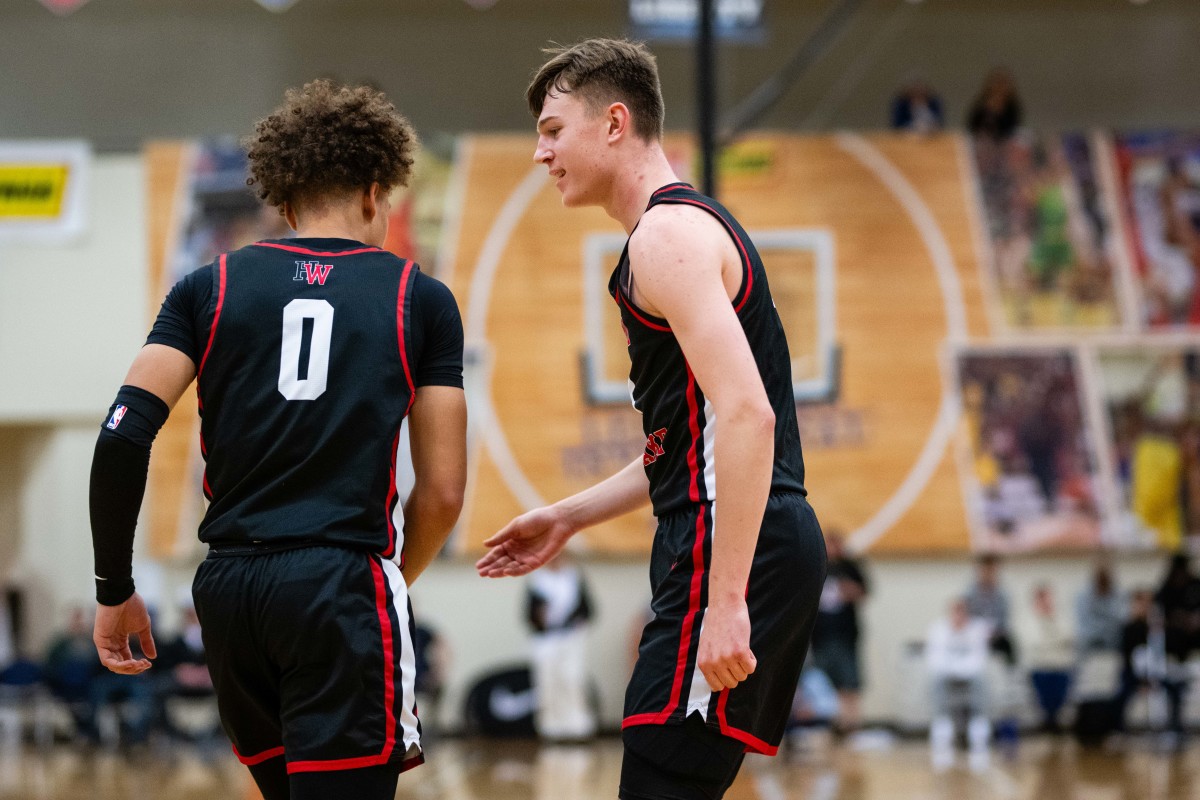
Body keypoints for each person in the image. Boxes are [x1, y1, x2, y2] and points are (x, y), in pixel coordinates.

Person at [88, 80, 467, 800]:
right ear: (373, 190)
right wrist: (385, 583)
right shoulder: (419, 297)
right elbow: (444, 493)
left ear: (284, 202)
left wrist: (115, 589)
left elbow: (121, 433)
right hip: (339, 584)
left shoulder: (206, 287)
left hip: (230, 594)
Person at [476, 38, 826, 800]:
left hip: (728, 544)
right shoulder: (681, 231)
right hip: (733, 534)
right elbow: (690, 442)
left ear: (613, 122)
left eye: (552, 129)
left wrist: (726, 599)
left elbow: (747, 415)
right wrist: (569, 516)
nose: (540, 153)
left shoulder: (665, 237)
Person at [526, 552, 596, 741]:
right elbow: (529, 614)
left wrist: (578, 624)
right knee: (547, 682)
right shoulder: (537, 580)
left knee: (572, 679)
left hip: (571, 638)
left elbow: (588, 610)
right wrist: (540, 618)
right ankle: (550, 728)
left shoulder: (574, 576)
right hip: (546, 639)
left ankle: (577, 726)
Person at [809, 530, 868, 735]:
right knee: (821, 681)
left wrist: (847, 589)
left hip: (844, 635)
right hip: (820, 636)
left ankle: (851, 725)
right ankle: (829, 723)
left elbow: (864, 592)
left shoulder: (849, 567)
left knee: (849, 683)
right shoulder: (815, 565)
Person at [925, 598, 992, 771]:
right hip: (946, 676)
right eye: (955, 612)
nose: (959, 617)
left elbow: (979, 660)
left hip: (970, 676)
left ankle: (978, 733)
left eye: (962, 612)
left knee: (981, 684)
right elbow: (934, 660)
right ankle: (942, 733)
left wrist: (962, 669)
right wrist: (953, 669)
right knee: (936, 683)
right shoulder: (938, 629)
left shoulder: (978, 629)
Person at [965, 553, 1017, 665]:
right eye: (985, 570)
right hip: (974, 634)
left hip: (996, 635)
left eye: (991, 571)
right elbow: (967, 619)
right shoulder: (969, 594)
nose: (988, 574)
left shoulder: (1002, 595)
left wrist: (997, 632)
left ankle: (1011, 675)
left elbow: (1005, 621)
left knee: (1009, 643)